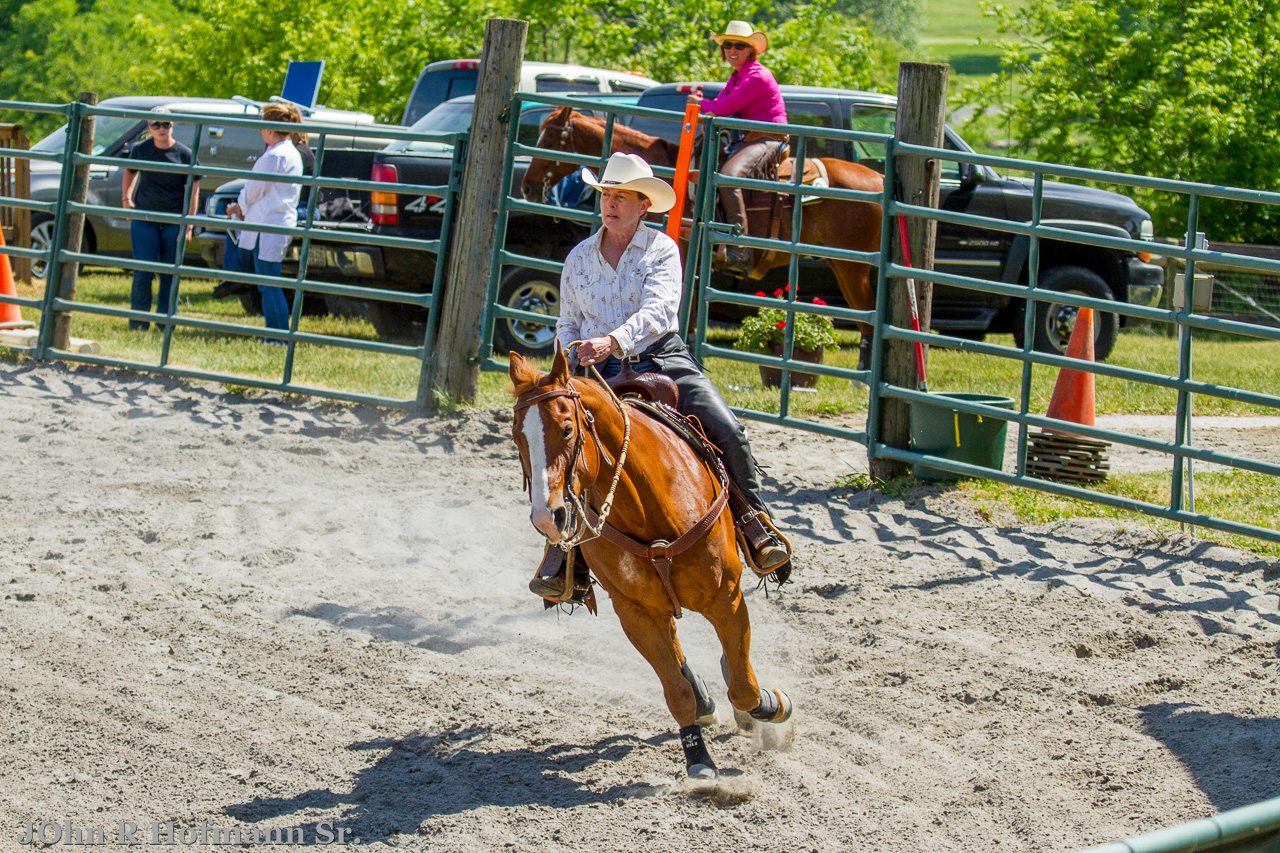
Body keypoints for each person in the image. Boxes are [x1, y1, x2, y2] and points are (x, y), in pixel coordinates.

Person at [529, 152, 792, 604]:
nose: (610, 204)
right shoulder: (579, 259)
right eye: (606, 195)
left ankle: (753, 521)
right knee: (561, 448)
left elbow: (657, 313)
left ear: (642, 205)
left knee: (726, 429)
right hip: (592, 369)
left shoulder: (661, 250)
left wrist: (611, 341)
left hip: (659, 359)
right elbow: (568, 321)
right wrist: (570, 355)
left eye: (621, 197)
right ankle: (563, 553)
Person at [686, 20, 787, 274]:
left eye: (740, 45)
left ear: (751, 50)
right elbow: (721, 103)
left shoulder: (756, 76)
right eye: (728, 44)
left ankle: (740, 249)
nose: (733, 49)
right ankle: (716, 236)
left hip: (769, 138)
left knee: (728, 177)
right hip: (752, 138)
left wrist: (698, 105)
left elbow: (723, 109)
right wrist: (704, 104)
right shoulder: (738, 75)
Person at [224, 103, 304, 344]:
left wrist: (239, 207)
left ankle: (277, 336)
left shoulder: (275, 156)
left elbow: (254, 189)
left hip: (270, 223)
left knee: (269, 284)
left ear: (270, 129)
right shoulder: (290, 153)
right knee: (268, 283)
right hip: (274, 221)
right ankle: (275, 333)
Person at [122, 108, 201, 331]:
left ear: (172, 126)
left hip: (174, 220)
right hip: (145, 218)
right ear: (149, 128)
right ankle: (138, 323)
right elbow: (129, 171)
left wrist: (188, 225)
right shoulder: (141, 150)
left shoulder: (185, 154)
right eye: (156, 125)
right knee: (142, 272)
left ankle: (166, 323)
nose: (162, 129)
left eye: (166, 124)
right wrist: (126, 199)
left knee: (170, 273)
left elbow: (193, 191)